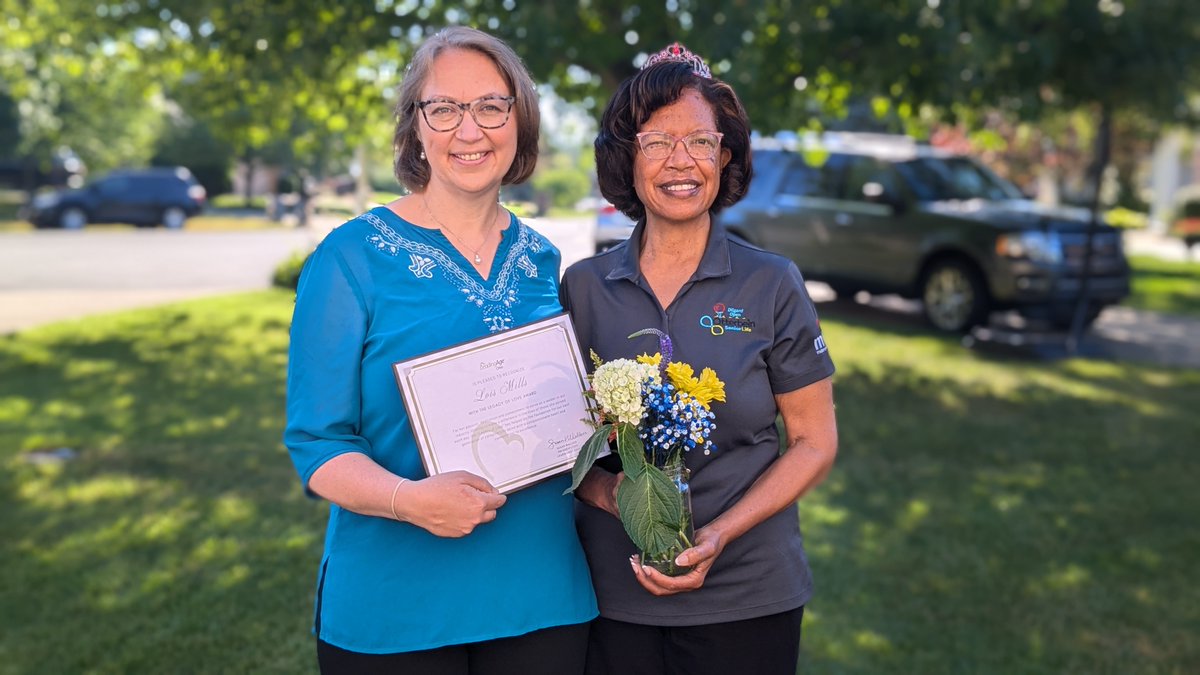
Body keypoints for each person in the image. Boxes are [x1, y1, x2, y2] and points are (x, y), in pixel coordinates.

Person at [284, 26, 596, 675]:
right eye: (444, 108)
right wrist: (409, 498)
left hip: (543, 598)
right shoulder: (348, 259)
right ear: (416, 128)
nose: (470, 129)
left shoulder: (541, 258)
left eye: (491, 106)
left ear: (520, 121)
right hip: (394, 609)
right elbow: (317, 443)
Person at [559, 44, 839, 675]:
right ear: (625, 161)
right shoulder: (582, 287)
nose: (679, 161)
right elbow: (559, 443)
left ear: (726, 155)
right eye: (655, 142)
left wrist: (718, 534)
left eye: (699, 141)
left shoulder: (772, 283)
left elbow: (813, 441)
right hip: (608, 598)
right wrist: (612, 494)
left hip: (748, 598)